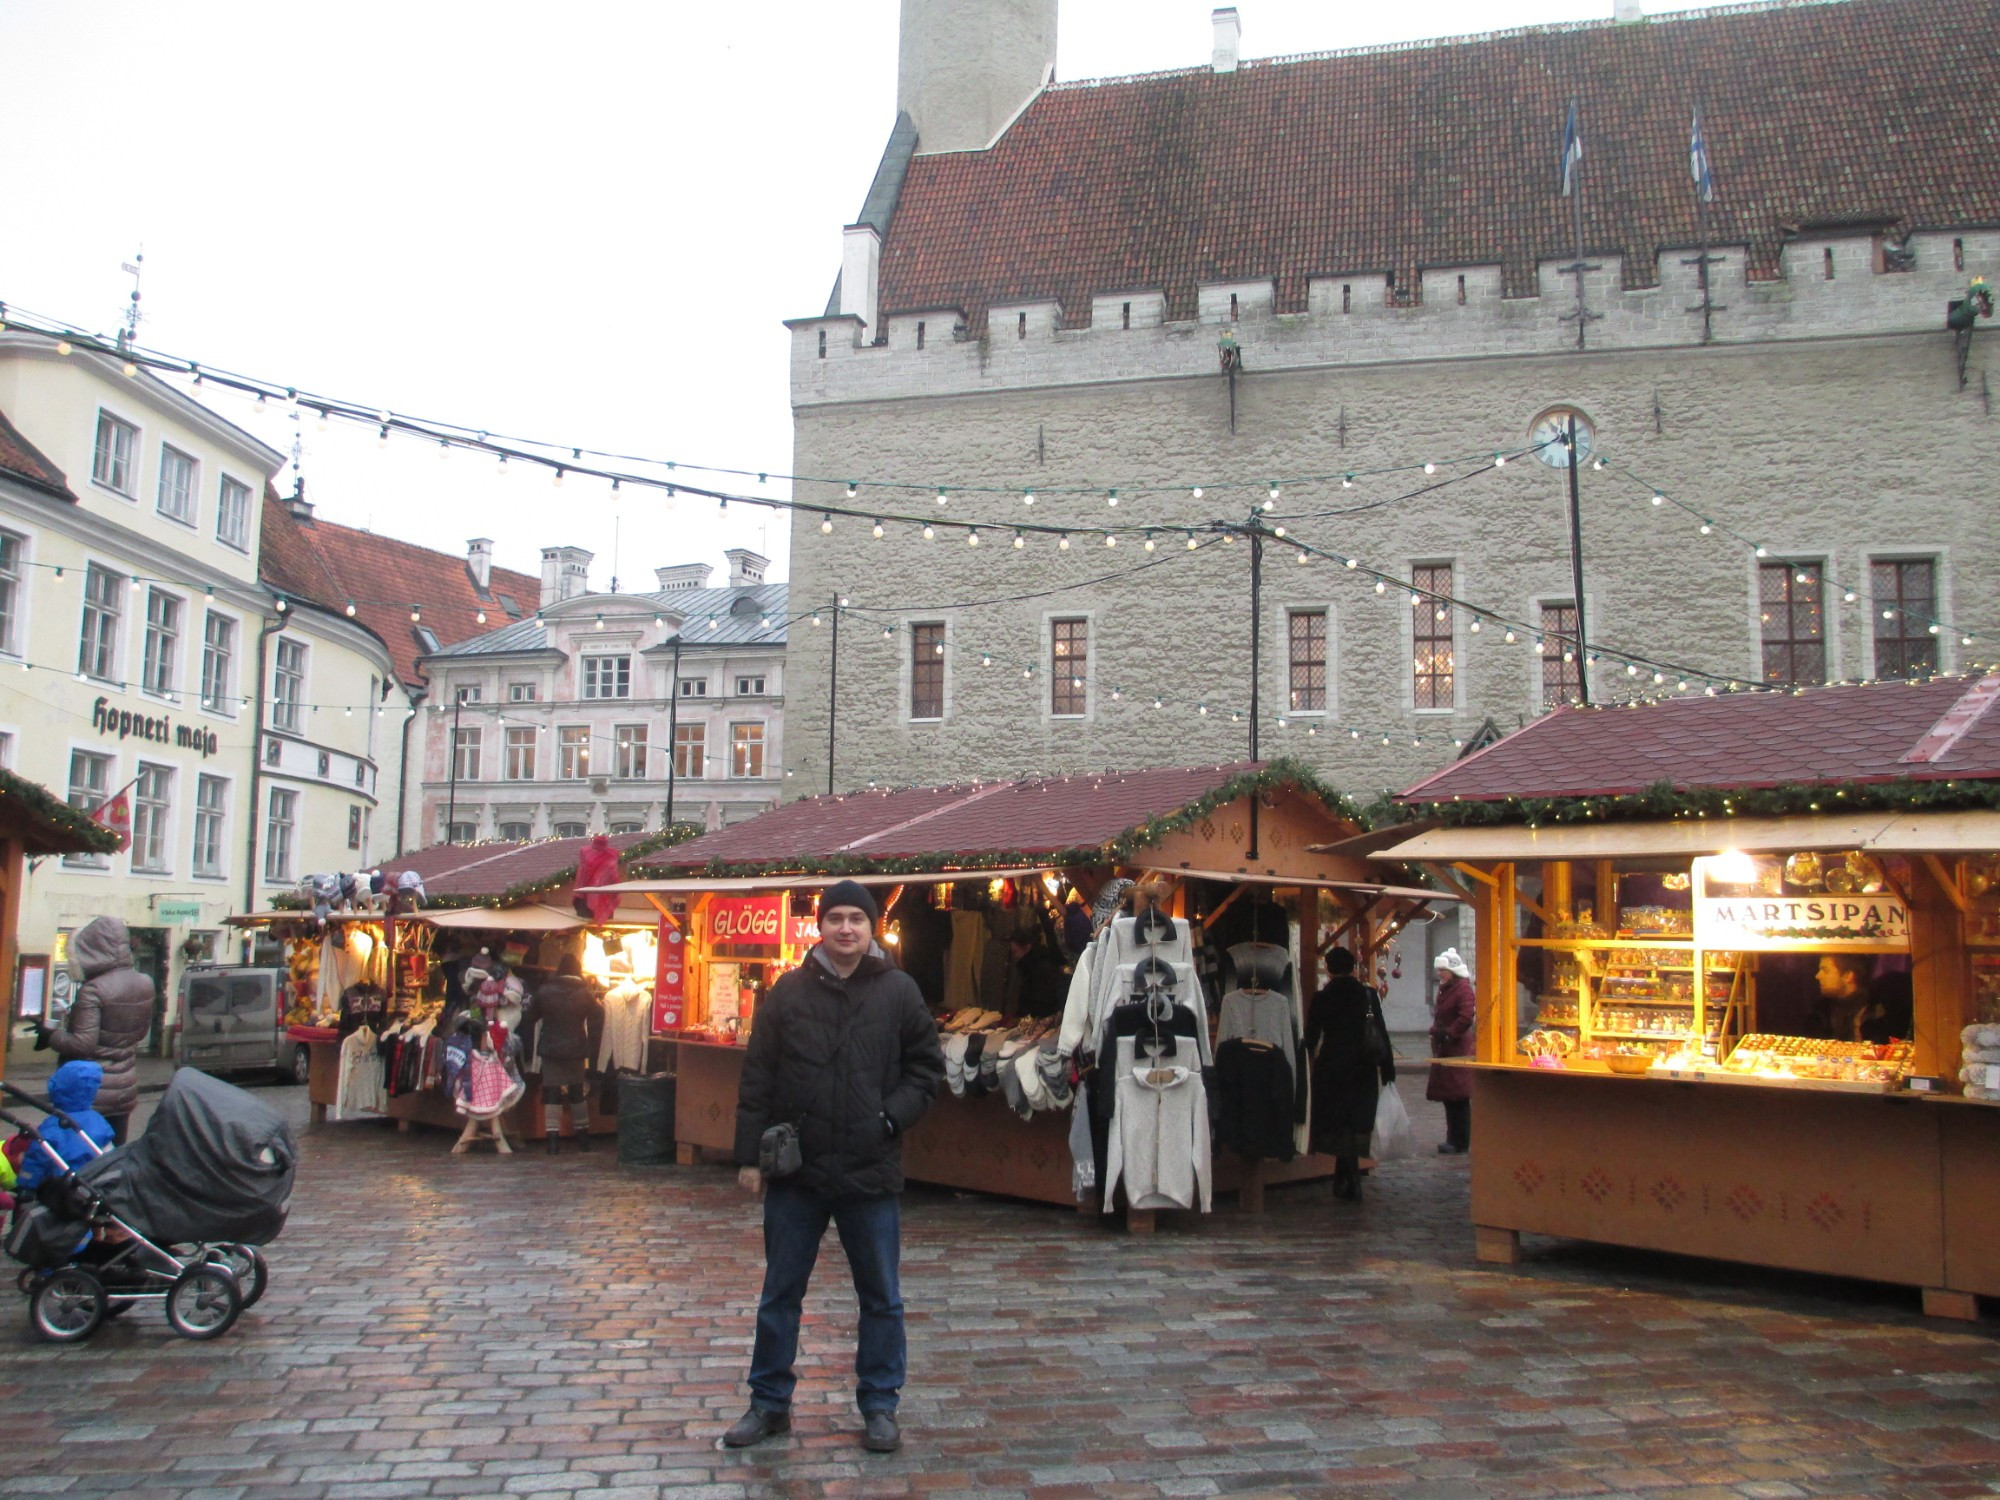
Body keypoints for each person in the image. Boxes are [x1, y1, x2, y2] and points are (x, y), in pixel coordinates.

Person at [726, 880, 944, 1456]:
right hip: (799, 1171)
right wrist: (749, 1157)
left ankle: (879, 1404)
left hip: (869, 1169)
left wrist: (889, 1120)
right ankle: (767, 1402)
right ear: (819, 927)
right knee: (780, 1293)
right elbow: (758, 1076)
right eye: (836, 918)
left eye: (856, 919)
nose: (845, 928)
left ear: (872, 929)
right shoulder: (789, 993)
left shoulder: (898, 991)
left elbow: (926, 1070)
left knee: (881, 1296)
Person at [43, 916, 155, 1145]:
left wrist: (49, 1035)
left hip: (89, 1090)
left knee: (82, 1157)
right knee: (112, 1157)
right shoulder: (144, 982)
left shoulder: (93, 990)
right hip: (125, 1086)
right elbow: (140, 1034)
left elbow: (82, 1045)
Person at [1303, 947, 1395, 1202]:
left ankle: (1346, 1176)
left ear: (1330, 968)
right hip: (1362, 1066)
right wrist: (1387, 1069)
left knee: (1338, 1123)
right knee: (1355, 1124)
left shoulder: (1323, 997)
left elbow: (1312, 1036)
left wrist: (1302, 1057)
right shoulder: (1367, 995)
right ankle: (1347, 1176)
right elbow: (1380, 1031)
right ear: (1353, 966)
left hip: (1333, 1065)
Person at [519, 954, 605, 1153]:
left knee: (552, 1092)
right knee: (577, 1092)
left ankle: (552, 1142)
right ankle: (583, 1139)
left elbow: (530, 1017)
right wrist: (591, 1043)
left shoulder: (545, 991)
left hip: (551, 1049)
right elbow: (598, 1015)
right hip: (575, 1048)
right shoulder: (585, 993)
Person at [13, 1060, 115, 1197]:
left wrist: (27, 1184)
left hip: (58, 1188)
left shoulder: (52, 1125)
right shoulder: (98, 1121)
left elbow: (37, 1158)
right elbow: (108, 1153)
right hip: (91, 1184)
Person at [1426, 948, 1476, 1155]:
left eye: (1443, 970)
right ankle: (1453, 1137)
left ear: (1453, 970)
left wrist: (1450, 1033)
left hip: (1456, 1048)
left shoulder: (1462, 989)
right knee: (1450, 1096)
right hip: (1445, 1046)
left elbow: (1466, 1016)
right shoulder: (1446, 988)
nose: (1439, 973)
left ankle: (1460, 1139)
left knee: (1458, 1096)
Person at [1813, 954, 1883, 1042]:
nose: (1818, 976)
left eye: (1825, 970)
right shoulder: (1821, 1010)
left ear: (1848, 976)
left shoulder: (1875, 1012)